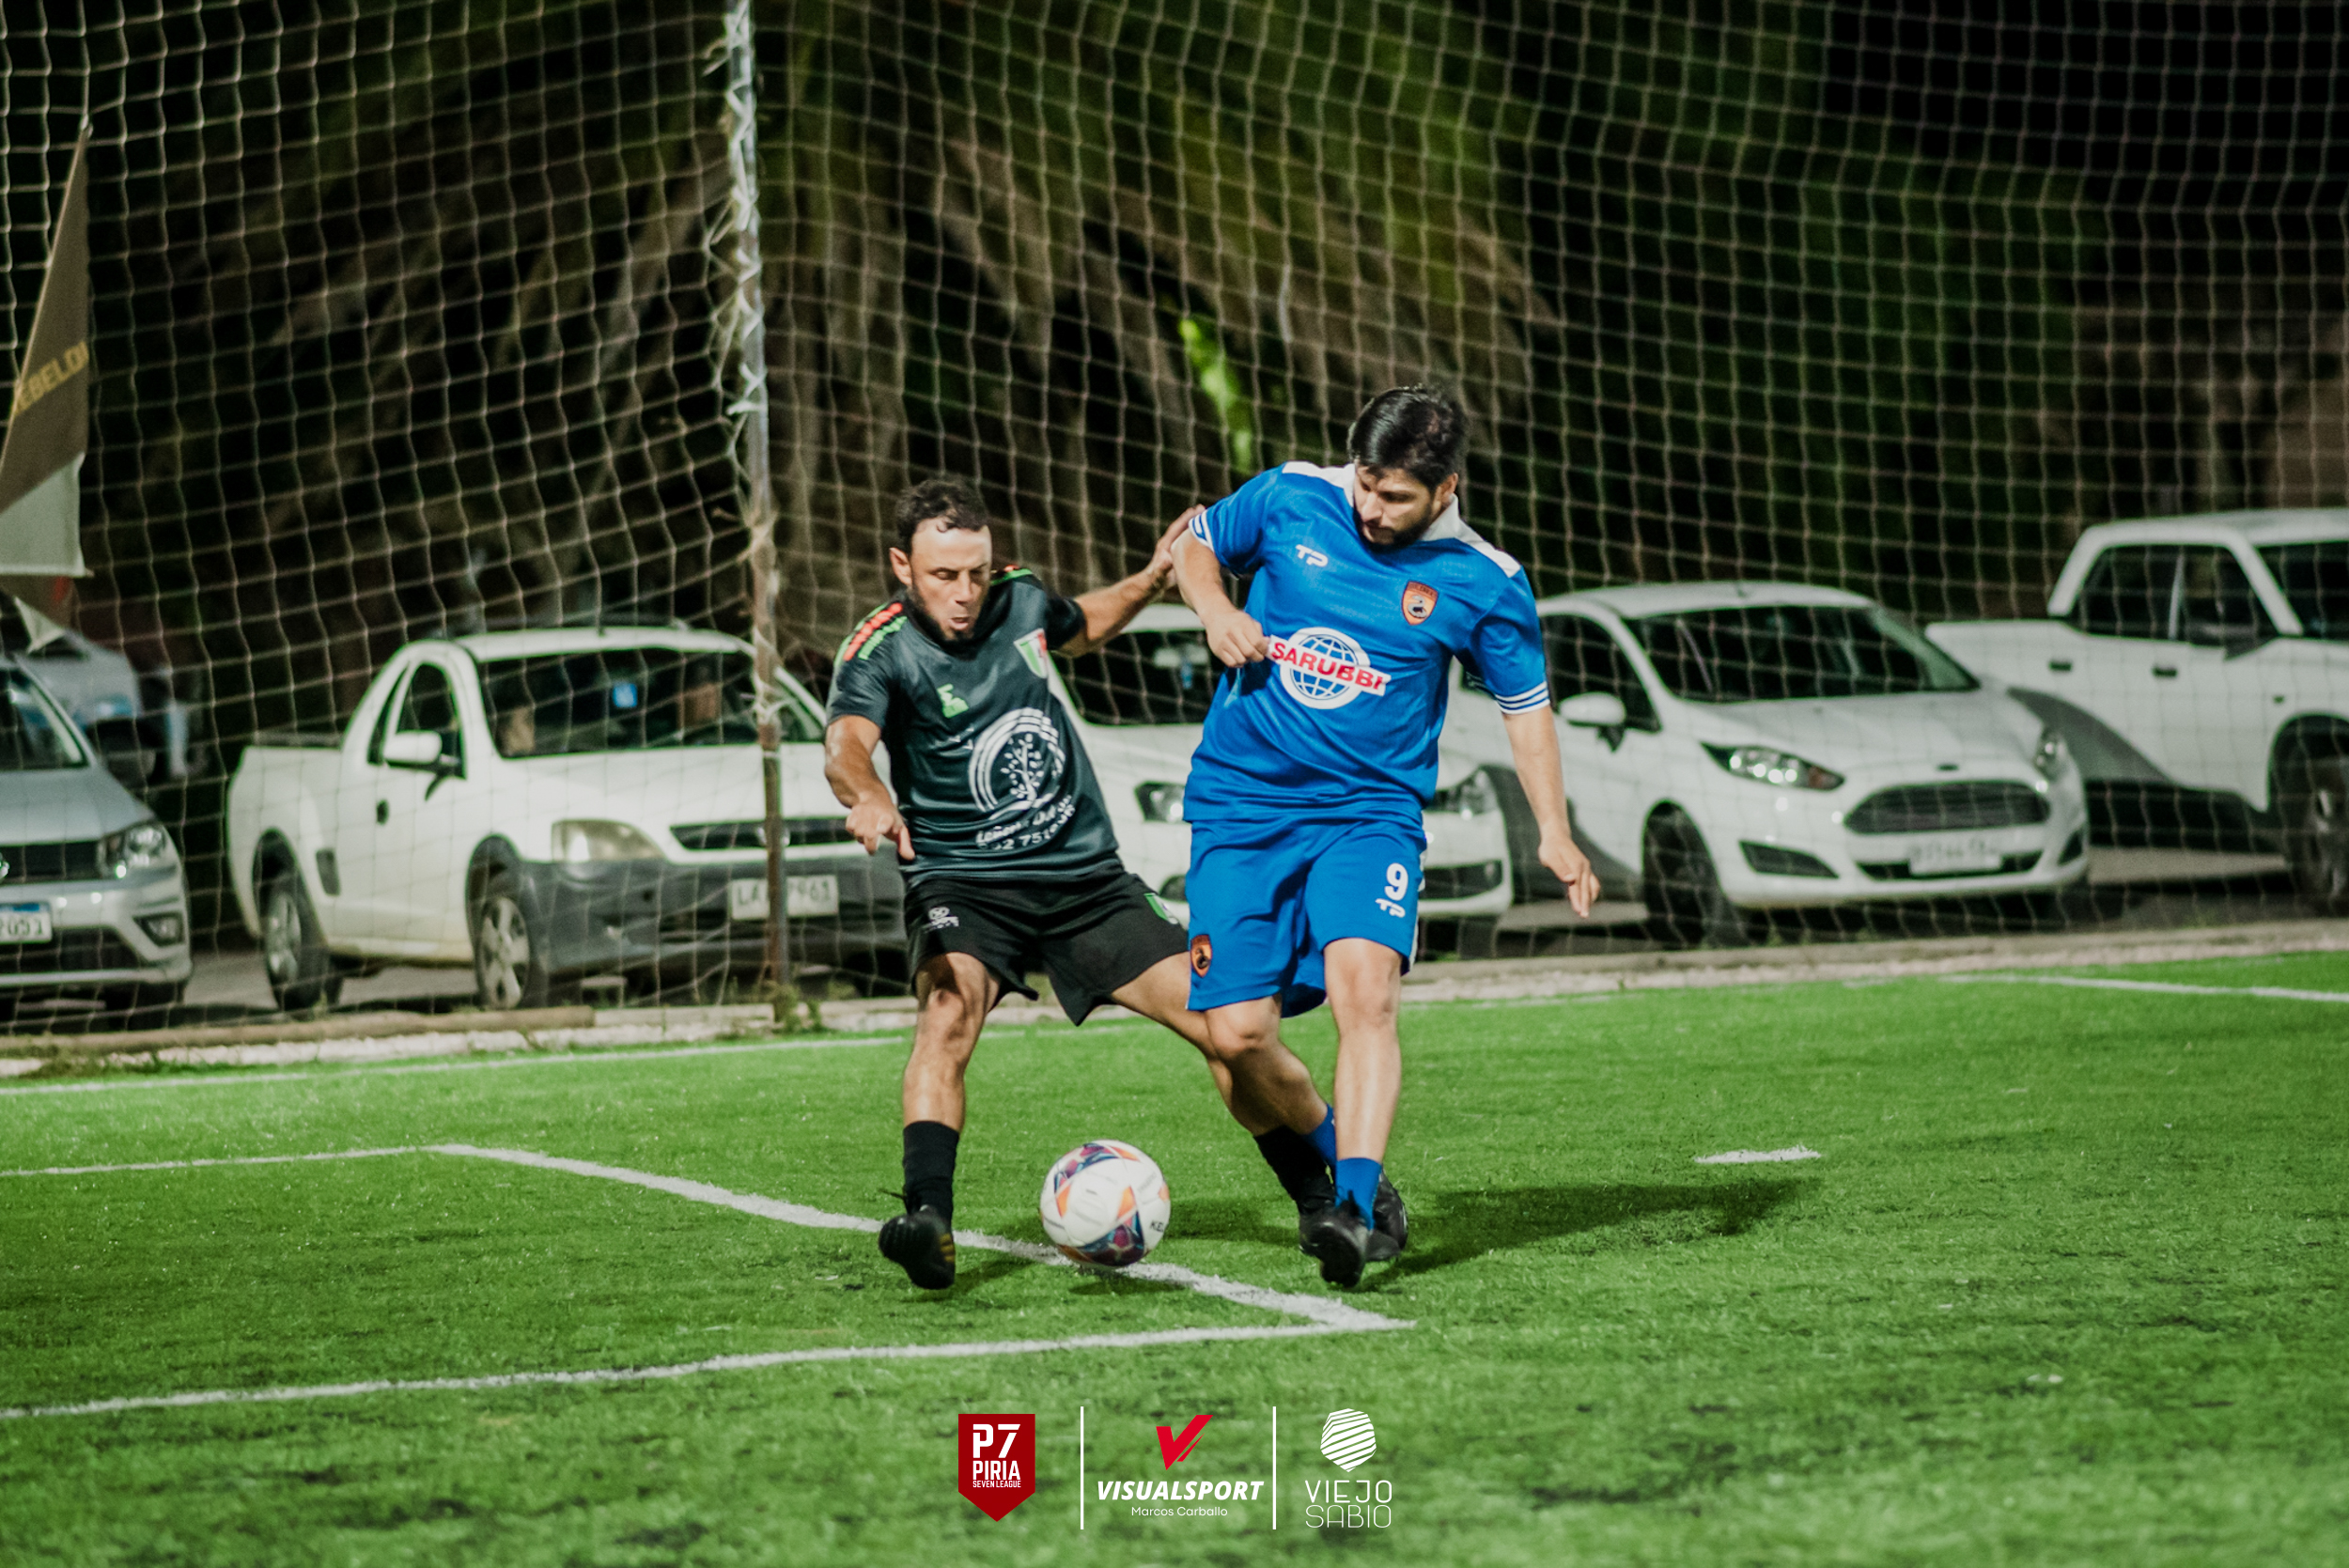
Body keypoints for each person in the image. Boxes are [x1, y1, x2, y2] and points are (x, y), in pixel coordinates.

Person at [825, 479, 1342, 1290]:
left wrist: (1150, 579)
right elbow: (846, 745)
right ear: (902, 565)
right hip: (965, 880)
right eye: (943, 575)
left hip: (1085, 880)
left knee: (1224, 1029)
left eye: (976, 572)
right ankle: (929, 1219)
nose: (965, 592)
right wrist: (871, 795)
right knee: (947, 1014)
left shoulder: (1019, 597)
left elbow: (1081, 625)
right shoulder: (878, 648)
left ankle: (1321, 1202)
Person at [1171, 384, 1602, 1287]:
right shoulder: (1292, 494)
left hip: (1369, 816)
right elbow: (1196, 546)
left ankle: (1356, 1210)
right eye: (1365, 483)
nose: (1370, 507)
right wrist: (1216, 610)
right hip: (1243, 806)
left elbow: (1527, 708)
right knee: (1237, 1038)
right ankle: (1338, 1154)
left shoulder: (1486, 580)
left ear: (1447, 488)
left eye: (1394, 495)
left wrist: (1555, 832)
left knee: (1366, 995)